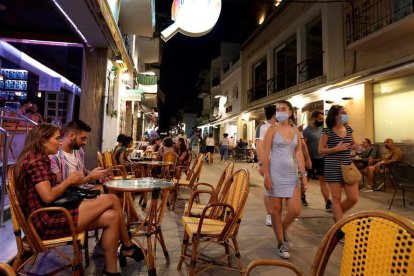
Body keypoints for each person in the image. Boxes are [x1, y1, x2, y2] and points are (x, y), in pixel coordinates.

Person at [14, 124, 144, 275]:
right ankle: (127, 245)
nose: (59, 142)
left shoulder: (37, 158)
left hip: (49, 214)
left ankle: (111, 270)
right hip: (46, 221)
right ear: (43, 141)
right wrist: (68, 181)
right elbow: (48, 196)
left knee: (113, 217)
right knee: (113, 199)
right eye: (57, 138)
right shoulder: (36, 161)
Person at [262, 100, 308, 259]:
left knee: (296, 210)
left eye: (282, 109)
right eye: (277, 109)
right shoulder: (271, 130)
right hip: (275, 173)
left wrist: (304, 175)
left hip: (291, 175)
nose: (279, 112)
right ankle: (280, 243)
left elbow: (299, 153)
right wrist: (267, 175)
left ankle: (282, 230)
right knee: (276, 210)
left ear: (290, 112)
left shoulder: (296, 131)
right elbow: (265, 153)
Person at [318, 105, 359, 223]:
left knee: (353, 198)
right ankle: (339, 228)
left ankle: (337, 215)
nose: (346, 114)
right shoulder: (327, 131)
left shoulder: (349, 129)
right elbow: (320, 150)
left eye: (346, 112)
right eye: (343, 112)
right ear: (335, 116)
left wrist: (356, 145)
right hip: (333, 166)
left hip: (348, 166)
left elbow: (354, 143)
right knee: (336, 198)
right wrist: (336, 149)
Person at [49, 119, 107, 189]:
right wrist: (90, 177)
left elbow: (83, 171)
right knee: (112, 196)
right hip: (69, 195)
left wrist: (99, 177)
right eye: (83, 138)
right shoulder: (54, 155)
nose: (85, 142)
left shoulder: (79, 150)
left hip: (83, 189)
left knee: (110, 188)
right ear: (72, 135)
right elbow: (62, 186)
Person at [302, 111, 332, 211]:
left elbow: (326, 143)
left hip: (322, 158)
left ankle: (328, 202)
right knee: (306, 179)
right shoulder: (307, 130)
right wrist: (306, 159)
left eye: (322, 119)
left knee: (323, 180)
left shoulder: (324, 130)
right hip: (310, 159)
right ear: (314, 118)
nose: (321, 121)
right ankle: (302, 196)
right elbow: (303, 145)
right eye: (320, 119)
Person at [255, 104, 277, 227]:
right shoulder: (262, 127)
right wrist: (261, 163)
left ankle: (276, 213)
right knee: (269, 189)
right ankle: (269, 214)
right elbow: (259, 145)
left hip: (280, 164)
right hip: (268, 163)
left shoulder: (280, 127)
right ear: (274, 114)